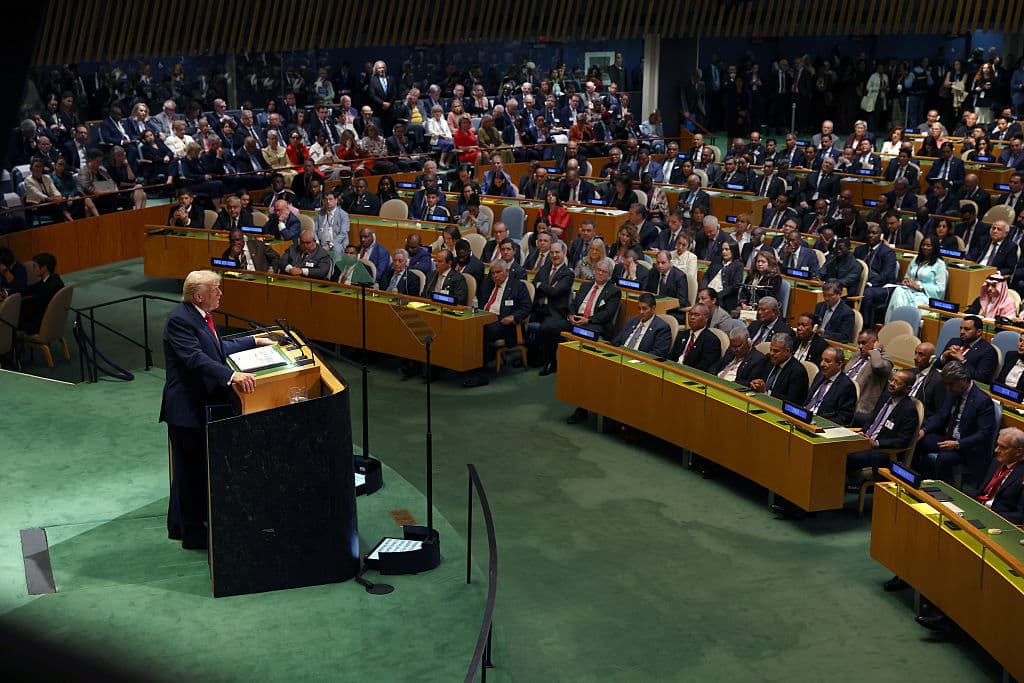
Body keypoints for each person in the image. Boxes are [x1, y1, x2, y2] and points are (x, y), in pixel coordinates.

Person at [160, 270, 276, 549]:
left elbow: (217, 347)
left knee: (191, 470)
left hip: (199, 404)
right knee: (189, 473)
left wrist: (254, 341)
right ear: (199, 296)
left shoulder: (199, 316)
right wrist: (232, 375)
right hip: (186, 409)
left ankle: (180, 526)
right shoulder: (180, 320)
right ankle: (192, 535)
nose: (221, 293)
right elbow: (195, 357)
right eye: (216, 289)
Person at [914, 361, 997, 486]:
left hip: (967, 447)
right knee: (919, 440)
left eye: (951, 384)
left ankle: (941, 489)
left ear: (963, 380)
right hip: (949, 439)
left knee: (944, 458)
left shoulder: (983, 401)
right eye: (946, 384)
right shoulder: (953, 391)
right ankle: (918, 481)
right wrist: (924, 430)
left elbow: (983, 434)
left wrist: (958, 444)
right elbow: (942, 415)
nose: (948, 388)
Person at [537, 257, 621, 375]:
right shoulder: (585, 285)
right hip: (576, 320)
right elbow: (573, 304)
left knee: (584, 334)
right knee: (548, 327)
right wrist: (571, 315)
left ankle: (582, 371)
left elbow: (607, 314)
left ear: (609, 275)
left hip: (594, 323)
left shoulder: (614, 291)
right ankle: (551, 362)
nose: (600, 273)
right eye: (598, 270)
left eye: (604, 271)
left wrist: (588, 320)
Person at [463, 260, 534, 388]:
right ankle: (466, 366)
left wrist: (513, 317)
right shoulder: (488, 284)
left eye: (498, 272)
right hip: (484, 317)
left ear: (506, 271)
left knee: (483, 330)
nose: (495, 276)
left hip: (505, 324)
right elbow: (479, 302)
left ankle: (481, 375)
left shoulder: (518, 286)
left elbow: (526, 307)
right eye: (493, 273)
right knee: (466, 326)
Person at [845, 369, 920, 485]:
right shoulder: (885, 396)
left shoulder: (909, 410)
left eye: (897, 382)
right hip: (864, 441)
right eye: (892, 380)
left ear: (908, 389)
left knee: (849, 456)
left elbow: (902, 441)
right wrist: (862, 432)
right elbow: (872, 420)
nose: (892, 384)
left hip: (882, 452)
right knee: (835, 446)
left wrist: (876, 443)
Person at [883, 237, 947, 322]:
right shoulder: (915, 259)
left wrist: (920, 287)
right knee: (898, 291)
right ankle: (894, 324)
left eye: (928, 245)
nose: (925, 247)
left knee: (911, 301)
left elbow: (940, 289)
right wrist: (907, 282)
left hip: (925, 296)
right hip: (909, 290)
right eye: (923, 245)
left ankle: (903, 324)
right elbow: (906, 278)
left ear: (934, 247)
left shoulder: (940, 264)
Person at [846, 329, 894, 424]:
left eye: (864, 343)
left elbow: (877, 366)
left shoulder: (885, 360)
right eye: (859, 343)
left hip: (859, 408)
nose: (860, 347)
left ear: (875, 343)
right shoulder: (856, 355)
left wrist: (875, 350)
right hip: (842, 399)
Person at [935, 315, 998, 384]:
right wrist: (944, 356)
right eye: (961, 328)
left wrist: (963, 360)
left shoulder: (988, 351)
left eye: (967, 329)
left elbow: (981, 379)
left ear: (978, 332)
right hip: (944, 381)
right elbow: (936, 366)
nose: (962, 332)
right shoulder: (954, 341)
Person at [749, 333, 808, 405]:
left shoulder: (798, 372)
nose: (771, 353)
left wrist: (766, 392)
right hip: (759, 401)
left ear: (787, 351)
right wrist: (754, 383)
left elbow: (791, 401)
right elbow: (753, 377)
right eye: (771, 349)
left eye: (776, 351)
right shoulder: (768, 359)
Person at [805, 346, 857, 426]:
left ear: (839, 364)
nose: (822, 364)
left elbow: (844, 418)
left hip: (820, 425)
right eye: (822, 360)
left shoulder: (847, 386)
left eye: (827, 361)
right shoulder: (820, 376)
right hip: (804, 416)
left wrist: (820, 422)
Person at [18, 253, 65, 334]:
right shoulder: (51, 279)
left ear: (44, 268)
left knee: (11, 321)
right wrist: (8, 292)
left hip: (42, 323)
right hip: (48, 318)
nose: (33, 269)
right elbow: (30, 289)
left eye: (35, 266)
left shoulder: (50, 286)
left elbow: (36, 304)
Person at [671, 304, 722, 373]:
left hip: (690, 374)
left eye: (696, 315)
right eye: (690, 314)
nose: (692, 317)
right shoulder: (682, 334)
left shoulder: (712, 341)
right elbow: (672, 357)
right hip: (673, 370)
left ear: (706, 318)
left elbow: (704, 368)